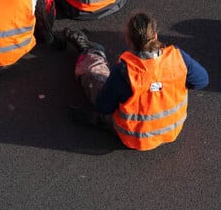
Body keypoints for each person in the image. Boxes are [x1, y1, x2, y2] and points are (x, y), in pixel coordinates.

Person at [63, 12, 209, 151]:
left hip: (133, 137)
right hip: (171, 130)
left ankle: (91, 53)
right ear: (156, 36)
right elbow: (202, 80)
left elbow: (103, 106)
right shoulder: (178, 58)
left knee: (97, 77)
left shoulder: (125, 71)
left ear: (129, 41)